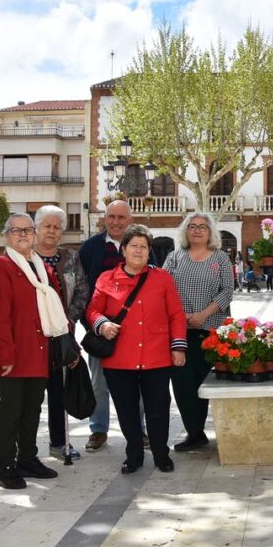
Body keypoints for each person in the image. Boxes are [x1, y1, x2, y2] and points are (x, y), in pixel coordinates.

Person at [86, 224, 188, 474]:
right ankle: (133, 455)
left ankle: (161, 454)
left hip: (157, 356)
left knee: (158, 407)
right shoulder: (106, 278)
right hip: (120, 358)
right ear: (123, 249)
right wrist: (103, 324)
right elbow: (92, 310)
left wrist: (178, 347)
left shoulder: (162, 278)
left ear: (149, 252)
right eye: (134, 246)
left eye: (144, 247)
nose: (139, 251)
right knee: (127, 409)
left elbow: (176, 314)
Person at [0, 213, 70, 489]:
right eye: (16, 230)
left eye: (28, 230)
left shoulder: (39, 266)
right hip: (14, 352)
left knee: (32, 409)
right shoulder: (2, 266)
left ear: (34, 235)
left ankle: (27, 459)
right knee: (11, 411)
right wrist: (4, 355)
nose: (23, 234)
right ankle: (5, 466)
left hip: (39, 350)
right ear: (6, 236)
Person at [78, 200, 154, 452]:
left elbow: (152, 283)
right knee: (99, 384)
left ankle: (138, 429)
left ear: (129, 220)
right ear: (104, 218)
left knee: (139, 384)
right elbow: (83, 289)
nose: (116, 221)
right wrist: (93, 323)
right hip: (100, 330)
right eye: (111, 216)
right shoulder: (90, 248)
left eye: (122, 217)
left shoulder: (143, 246)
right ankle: (98, 430)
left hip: (137, 331)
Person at [162, 213, 233, 452]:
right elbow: (163, 288)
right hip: (178, 332)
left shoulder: (221, 258)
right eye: (192, 227)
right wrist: (178, 315)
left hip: (208, 330)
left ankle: (198, 431)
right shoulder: (174, 257)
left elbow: (228, 291)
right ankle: (194, 432)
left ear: (210, 232)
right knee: (182, 384)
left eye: (203, 227)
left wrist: (204, 313)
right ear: (185, 231)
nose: (197, 230)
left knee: (202, 384)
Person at [35, 205, 89, 460]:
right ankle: (25, 448)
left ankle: (60, 443)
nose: (52, 231)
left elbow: (82, 291)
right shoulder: (23, 258)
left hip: (62, 337)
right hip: (32, 338)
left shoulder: (71, 258)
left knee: (59, 391)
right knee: (30, 395)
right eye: (47, 225)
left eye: (56, 227)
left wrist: (68, 320)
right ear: (36, 228)